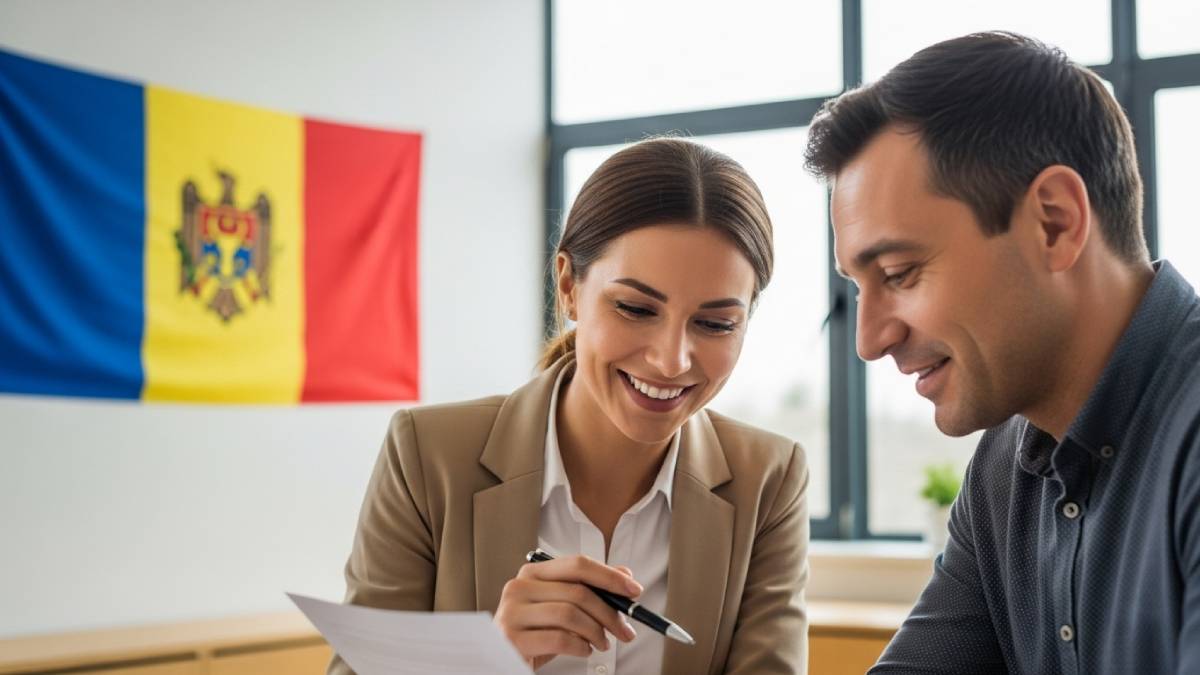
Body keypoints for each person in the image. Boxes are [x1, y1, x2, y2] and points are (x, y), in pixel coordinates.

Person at [327, 137, 809, 675]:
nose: (672, 361)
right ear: (568, 285)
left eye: (716, 324)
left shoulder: (769, 480)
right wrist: (490, 663)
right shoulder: (427, 455)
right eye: (635, 308)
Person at [803, 31, 1200, 674]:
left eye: (900, 273)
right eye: (858, 286)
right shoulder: (1005, 464)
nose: (869, 340)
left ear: (1054, 223)